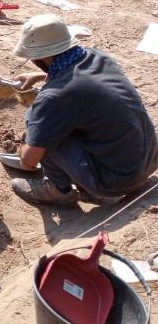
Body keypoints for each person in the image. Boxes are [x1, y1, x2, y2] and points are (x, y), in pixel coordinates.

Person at [10, 14, 158, 205]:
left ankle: (59, 190)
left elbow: (29, 162)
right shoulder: (98, 57)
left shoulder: (55, 97)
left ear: (42, 55)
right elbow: (78, 83)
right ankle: (85, 176)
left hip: (119, 181)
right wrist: (41, 75)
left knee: (37, 124)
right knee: (49, 122)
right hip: (148, 161)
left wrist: (27, 152)